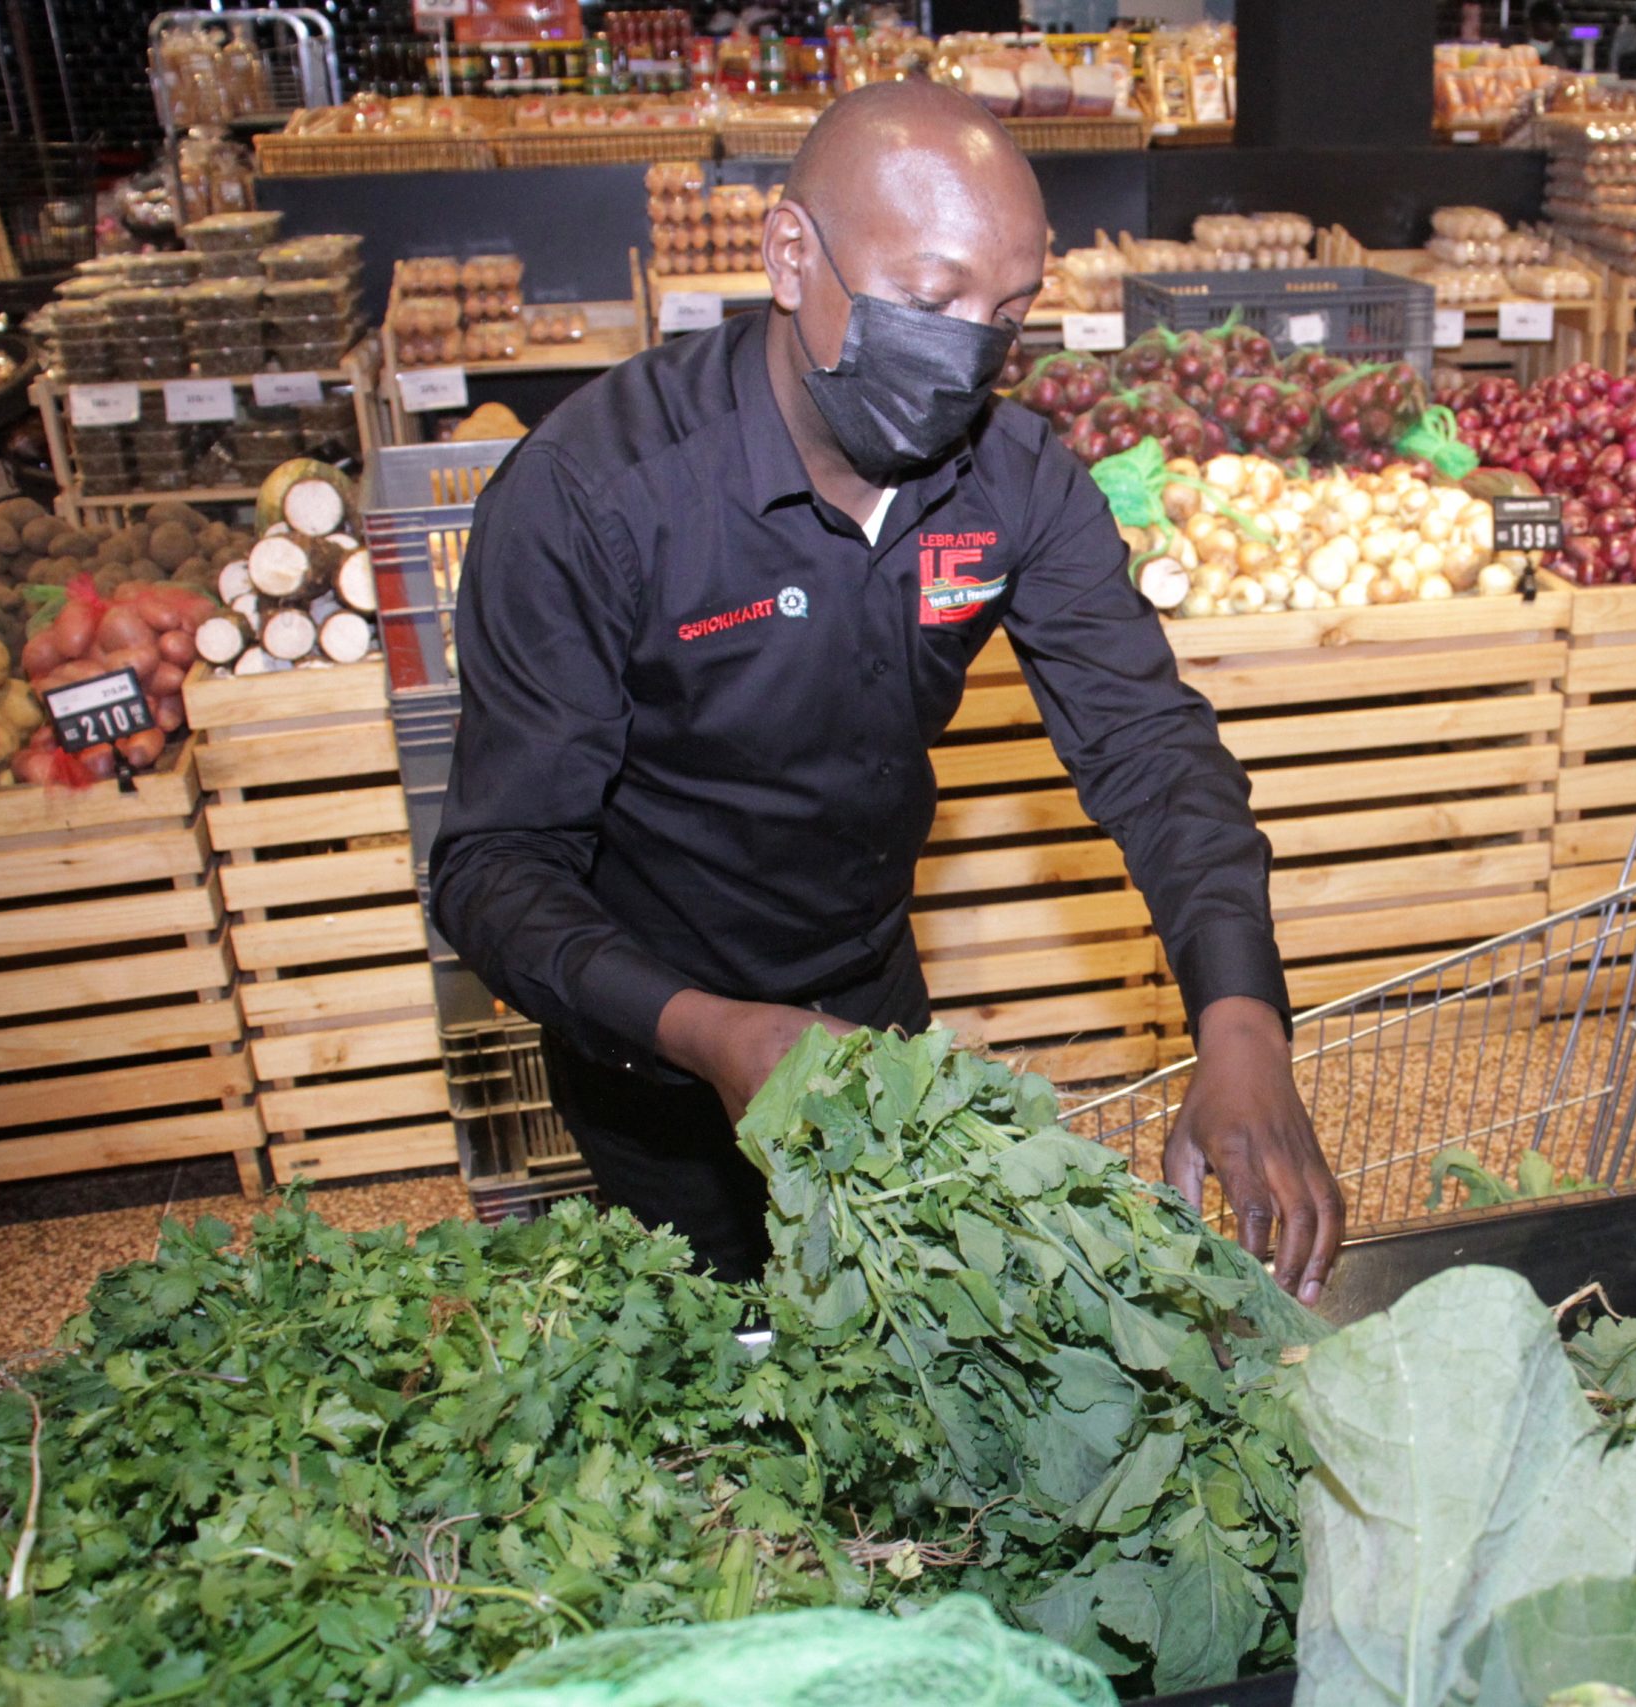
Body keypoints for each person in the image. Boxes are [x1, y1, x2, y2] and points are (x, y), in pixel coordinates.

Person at [430, 80, 1344, 1298]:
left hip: (872, 1012)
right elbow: (494, 869)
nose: (969, 351)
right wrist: (711, 1031)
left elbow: (1150, 744)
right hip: (654, 1046)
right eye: (928, 300)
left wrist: (1241, 1021)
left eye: (1006, 313)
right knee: (712, 1376)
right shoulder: (593, 499)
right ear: (791, 255)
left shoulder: (1011, 482)